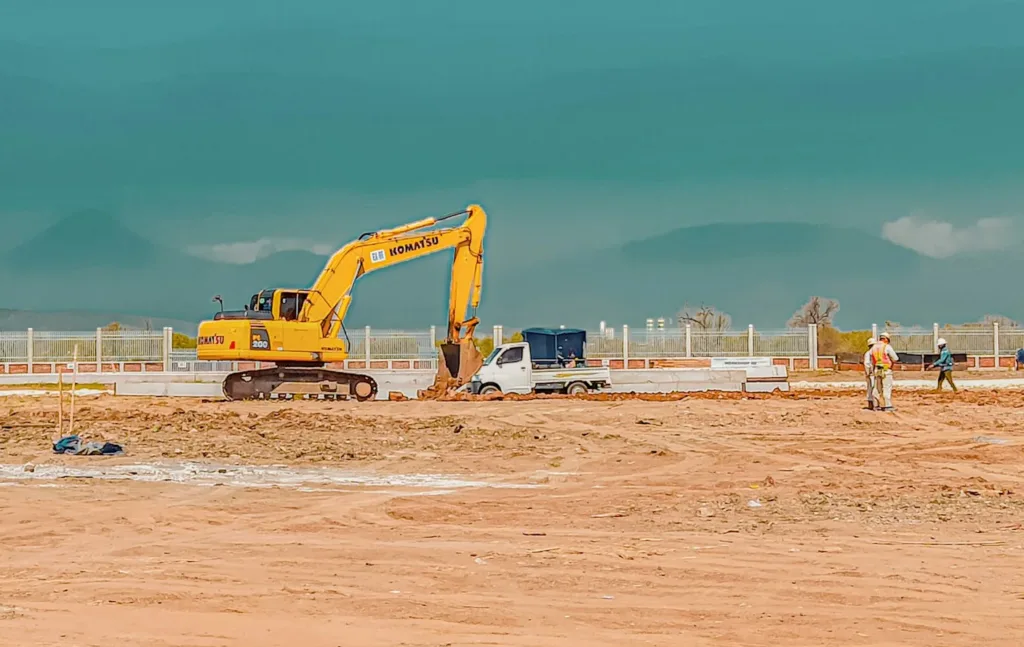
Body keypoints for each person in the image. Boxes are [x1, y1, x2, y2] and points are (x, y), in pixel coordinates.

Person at [870, 332, 899, 411]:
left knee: (877, 389)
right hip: (886, 370)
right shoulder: (887, 347)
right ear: (886, 339)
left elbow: (871, 360)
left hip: (877, 370)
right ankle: (887, 406)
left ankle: (876, 405)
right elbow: (895, 358)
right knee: (886, 388)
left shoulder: (873, 347)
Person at [863, 337, 877, 410]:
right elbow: (867, 364)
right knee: (874, 389)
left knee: (870, 389)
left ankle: (871, 405)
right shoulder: (872, 353)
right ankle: (874, 405)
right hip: (873, 374)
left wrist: (868, 372)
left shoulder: (868, 353)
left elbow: (866, 364)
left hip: (871, 374)